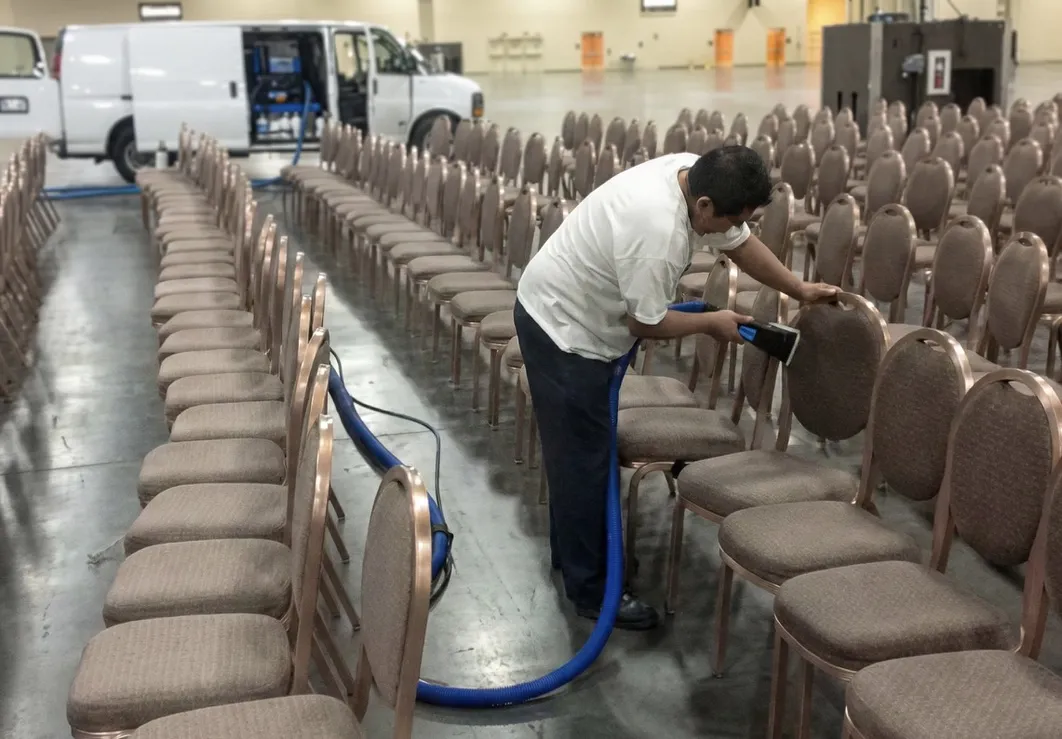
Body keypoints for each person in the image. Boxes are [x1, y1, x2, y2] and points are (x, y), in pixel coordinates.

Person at [514, 146, 838, 631]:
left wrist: (799, 289)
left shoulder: (694, 173)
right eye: (726, 218)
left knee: (575, 456)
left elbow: (741, 244)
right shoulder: (657, 232)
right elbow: (644, 324)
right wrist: (712, 322)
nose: (728, 229)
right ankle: (593, 592)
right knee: (584, 463)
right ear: (703, 205)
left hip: (569, 312)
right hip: (564, 331)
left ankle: (574, 559)